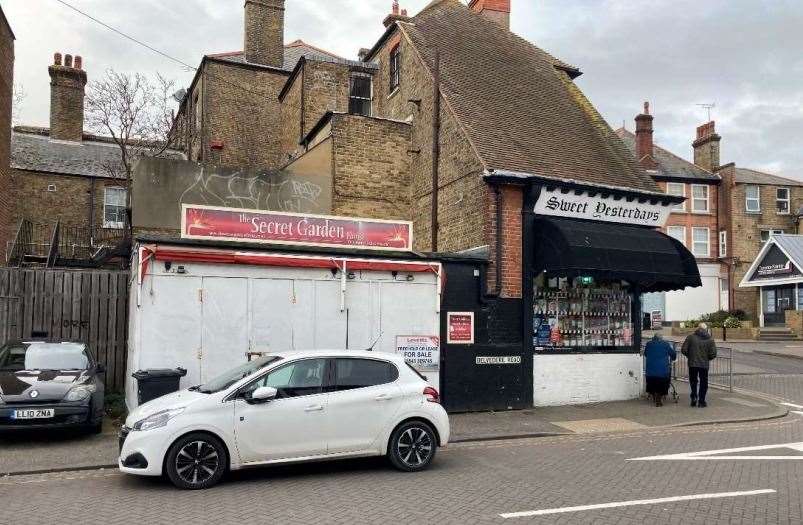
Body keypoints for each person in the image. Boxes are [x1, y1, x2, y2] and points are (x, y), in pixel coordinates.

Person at [681, 322, 718, 407]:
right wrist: (707, 359)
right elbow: (713, 354)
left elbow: (684, 350)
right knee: (704, 382)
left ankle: (694, 397)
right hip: (704, 365)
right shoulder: (710, 339)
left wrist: (690, 356)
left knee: (693, 381)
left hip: (692, 364)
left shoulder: (690, 337)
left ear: (698, 328)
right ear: (706, 329)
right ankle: (701, 401)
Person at [644, 332, 676, 406]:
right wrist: (673, 358)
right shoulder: (665, 344)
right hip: (663, 371)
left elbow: (645, 354)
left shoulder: (649, 344)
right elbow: (673, 354)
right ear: (661, 338)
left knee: (651, 382)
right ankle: (659, 397)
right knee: (664, 381)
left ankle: (654, 394)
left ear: (654, 337)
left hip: (650, 371)